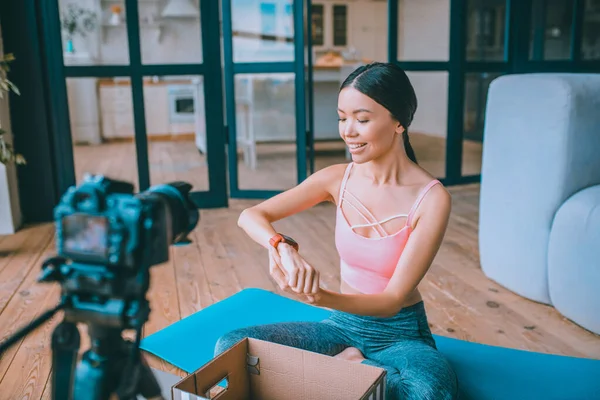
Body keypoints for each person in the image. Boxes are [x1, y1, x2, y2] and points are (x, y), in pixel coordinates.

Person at [214, 62, 459, 400]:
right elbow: (251, 215)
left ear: (399, 121)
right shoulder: (336, 178)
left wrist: (319, 297)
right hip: (341, 326)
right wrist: (280, 246)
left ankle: (349, 370)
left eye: (362, 119)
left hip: (401, 335)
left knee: (429, 392)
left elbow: (390, 302)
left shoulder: (432, 199)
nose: (348, 131)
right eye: (342, 118)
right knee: (231, 346)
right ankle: (355, 370)